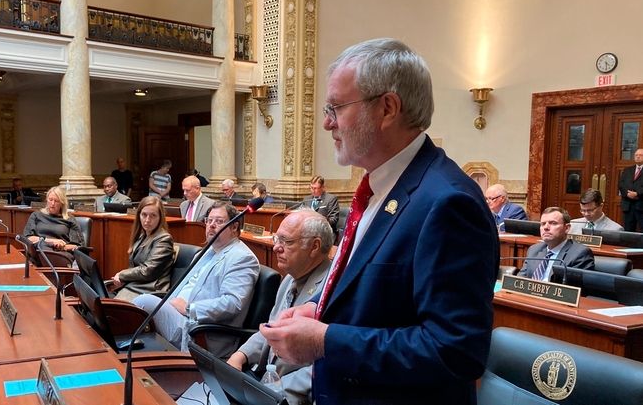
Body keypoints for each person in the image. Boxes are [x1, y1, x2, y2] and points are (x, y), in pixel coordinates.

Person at [258, 38, 499, 405]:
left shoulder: (448, 202)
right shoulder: (378, 187)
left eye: (336, 107)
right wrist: (321, 310)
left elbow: (455, 352)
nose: (327, 123)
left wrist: (325, 340)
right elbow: (380, 299)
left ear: (387, 108)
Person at [227, 209, 333, 405]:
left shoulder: (332, 289)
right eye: (277, 239)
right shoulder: (288, 279)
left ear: (314, 246)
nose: (276, 247)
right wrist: (240, 355)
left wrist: (278, 389)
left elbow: (328, 365)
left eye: (287, 241)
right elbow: (271, 327)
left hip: (291, 396)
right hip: (264, 381)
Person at [133, 202, 259, 358]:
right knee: (132, 308)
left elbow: (232, 303)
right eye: (209, 220)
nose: (211, 225)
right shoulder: (206, 251)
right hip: (179, 315)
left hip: (199, 330)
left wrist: (189, 308)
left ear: (234, 227)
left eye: (219, 221)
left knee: (142, 302)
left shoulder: (242, 257)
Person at [110, 196, 175, 301]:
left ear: (160, 218)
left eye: (153, 215)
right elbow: (134, 267)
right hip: (136, 286)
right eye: (144, 215)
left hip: (151, 291)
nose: (147, 220)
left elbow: (148, 271)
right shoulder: (142, 236)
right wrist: (123, 281)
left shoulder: (164, 239)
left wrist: (122, 274)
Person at [518, 207, 594, 280]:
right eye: (543, 224)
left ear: (567, 228)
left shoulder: (579, 254)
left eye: (553, 223)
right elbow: (520, 280)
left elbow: (572, 289)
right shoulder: (534, 250)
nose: (546, 227)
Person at [23, 186, 84, 253]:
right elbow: (27, 238)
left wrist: (62, 247)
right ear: (47, 200)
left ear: (62, 203)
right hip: (38, 251)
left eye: (56, 201)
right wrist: (49, 241)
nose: (52, 204)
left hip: (60, 253)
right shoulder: (36, 215)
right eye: (50, 200)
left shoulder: (70, 219)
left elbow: (78, 246)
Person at [619, 148, 643, 232]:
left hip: (641, 204)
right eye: (636, 155)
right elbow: (621, 185)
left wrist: (637, 194)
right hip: (628, 206)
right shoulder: (627, 170)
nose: (638, 157)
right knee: (628, 231)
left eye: (640, 155)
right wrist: (627, 194)